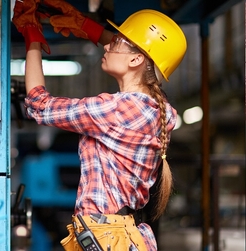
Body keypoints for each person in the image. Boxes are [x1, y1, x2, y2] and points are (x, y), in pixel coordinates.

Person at [12, 0, 187, 250]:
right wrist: (83, 26)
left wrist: (32, 36)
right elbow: (126, 50)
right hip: (117, 234)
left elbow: (39, 105)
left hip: (105, 236)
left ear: (137, 60)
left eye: (117, 41)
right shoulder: (157, 111)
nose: (109, 43)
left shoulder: (117, 110)